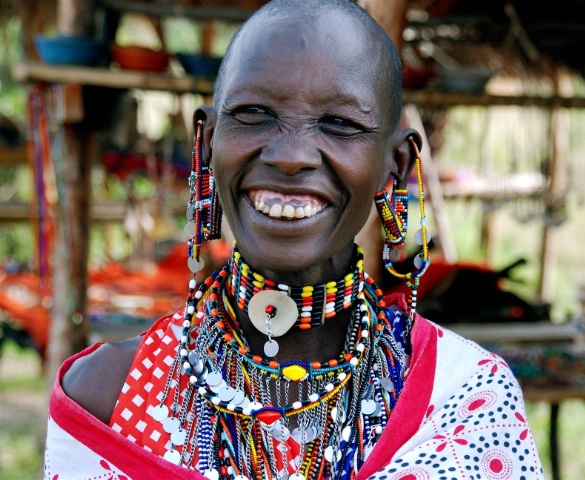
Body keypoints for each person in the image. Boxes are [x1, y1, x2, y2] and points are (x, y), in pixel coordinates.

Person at [44, 1, 542, 478]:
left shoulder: (466, 397)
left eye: (340, 123)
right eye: (255, 113)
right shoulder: (106, 397)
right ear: (209, 141)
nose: (291, 156)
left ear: (396, 167)